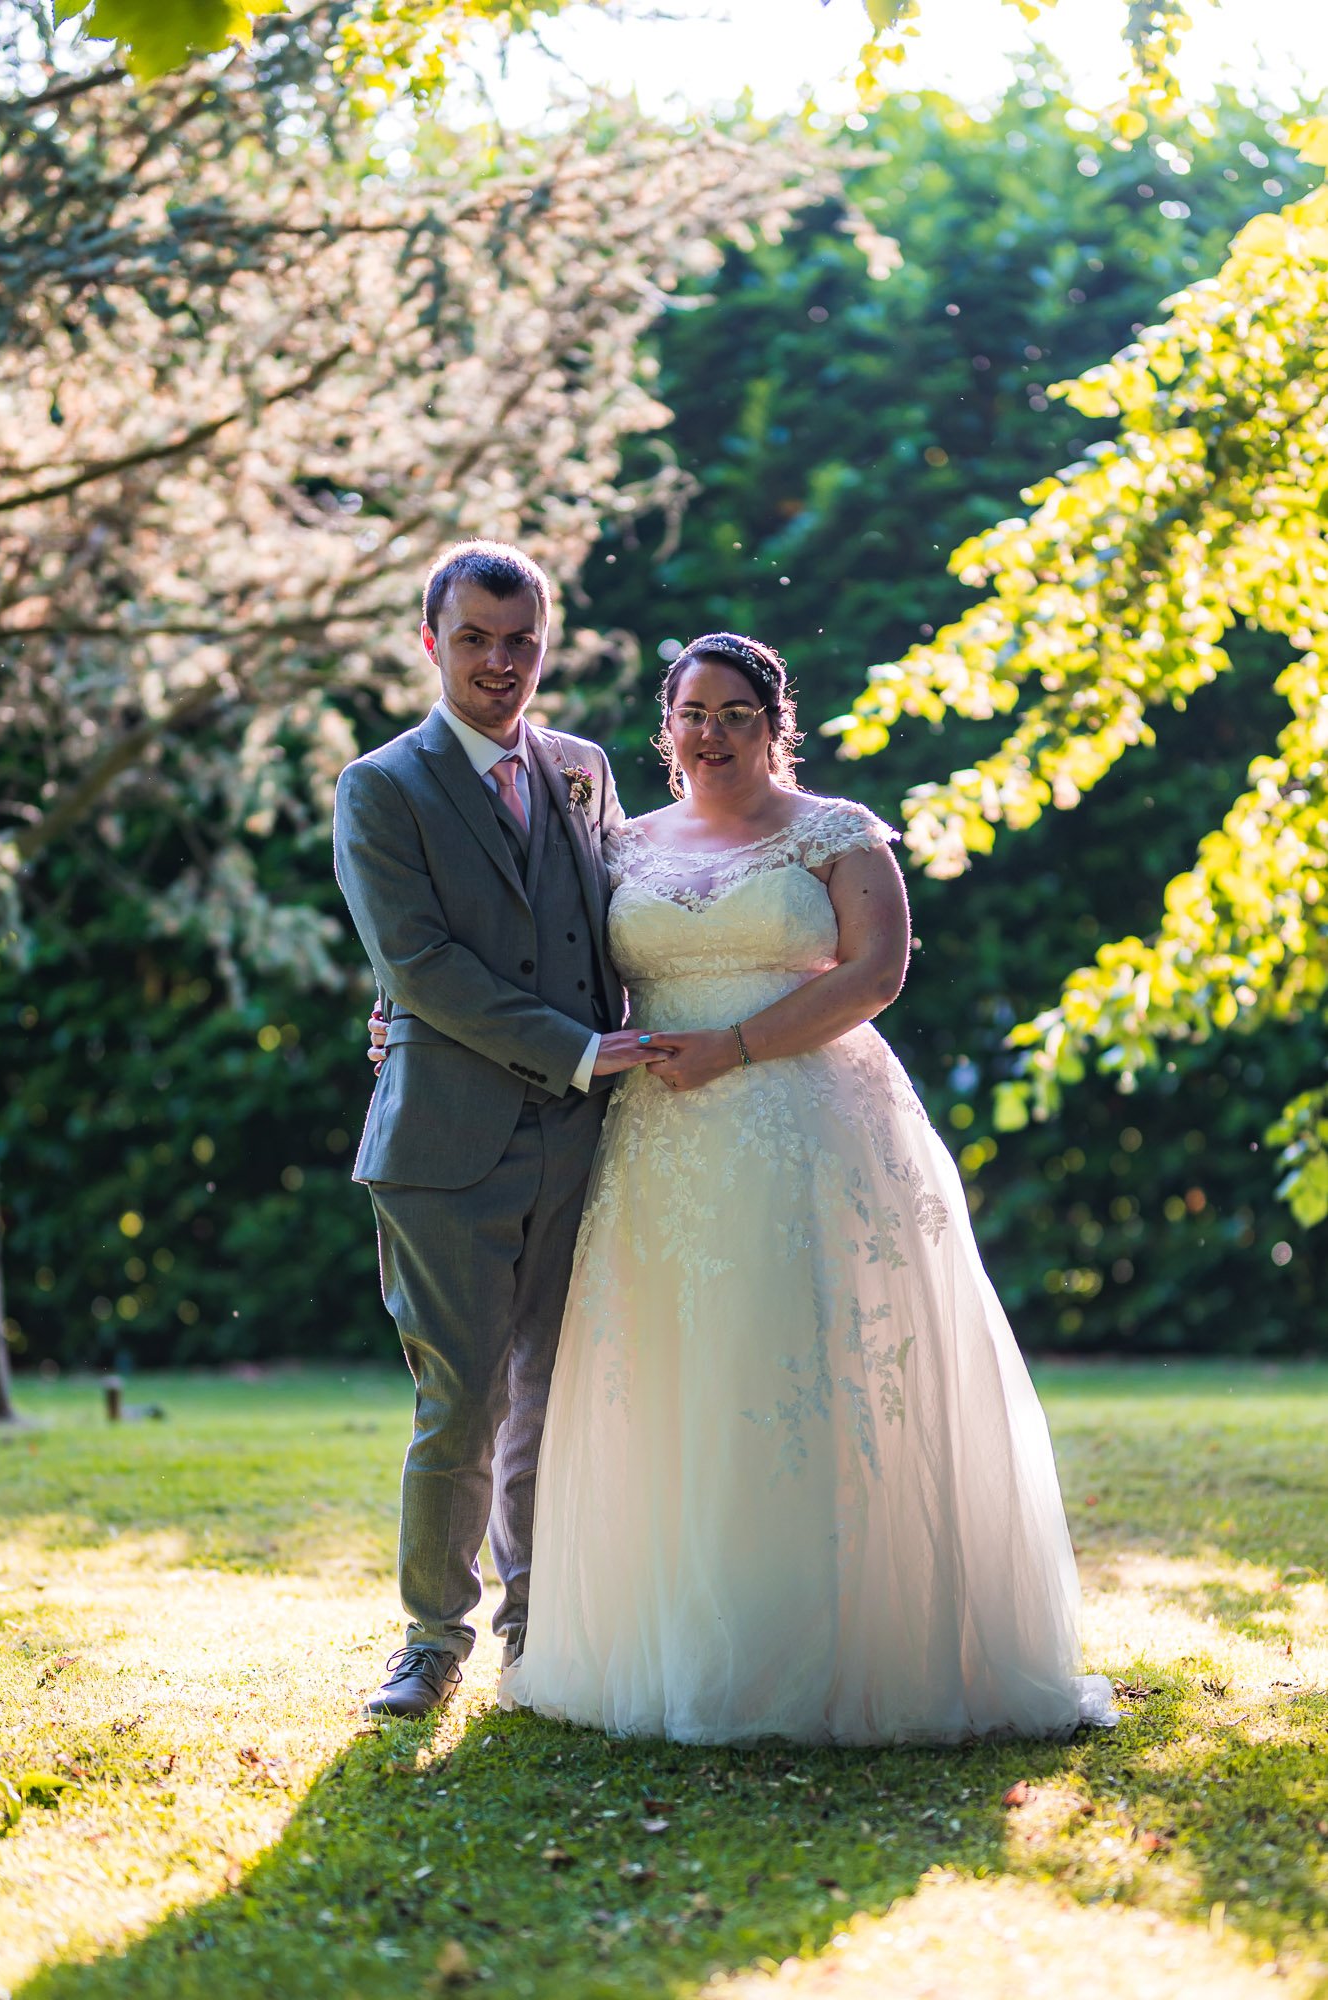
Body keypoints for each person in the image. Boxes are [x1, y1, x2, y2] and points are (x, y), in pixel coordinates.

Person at [493, 631, 1118, 1743]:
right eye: (693, 711)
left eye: (737, 712)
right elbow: (553, 966)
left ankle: (840, 1645)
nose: (712, 732)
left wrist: (733, 1046)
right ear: (666, 726)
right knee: (677, 1373)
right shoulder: (620, 846)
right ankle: (676, 1643)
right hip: (658, 1146)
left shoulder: (836, 833)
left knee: (806, 1364)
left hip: (809, 1125)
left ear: (774, 725)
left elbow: (876, 973)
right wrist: (409, 1012)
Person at [333, 539, 661, 1722]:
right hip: (443, 1146)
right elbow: (417, 962)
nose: (498, 662)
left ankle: (540, 1628)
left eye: (519, 640)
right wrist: (574, 1047)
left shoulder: (580, 766)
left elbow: (618, 918)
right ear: (431, 641)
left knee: (555, 1392)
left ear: (544, 644)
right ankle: (432, 1638)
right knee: (459, 1398)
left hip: (583, 1140)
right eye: (473, 637)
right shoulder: (379, 786)